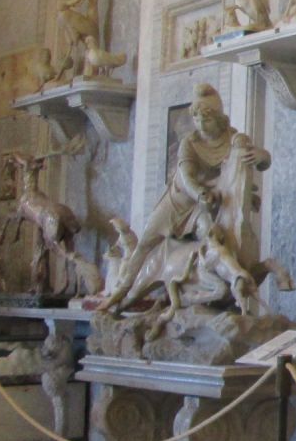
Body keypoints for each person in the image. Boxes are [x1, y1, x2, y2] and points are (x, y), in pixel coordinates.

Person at [102, 83, 270, 313]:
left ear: (219, 119)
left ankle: (209, 293)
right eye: (197, 120)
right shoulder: (190, 143)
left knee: (215, 242)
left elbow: (259, 161)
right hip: (180, 200)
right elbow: (187, 177)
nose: (200, 124)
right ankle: (120, 291)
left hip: (207, 205)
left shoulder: (232, 138)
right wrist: (200, 193)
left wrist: (262, 156)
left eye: (206, 120)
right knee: (146, 242)